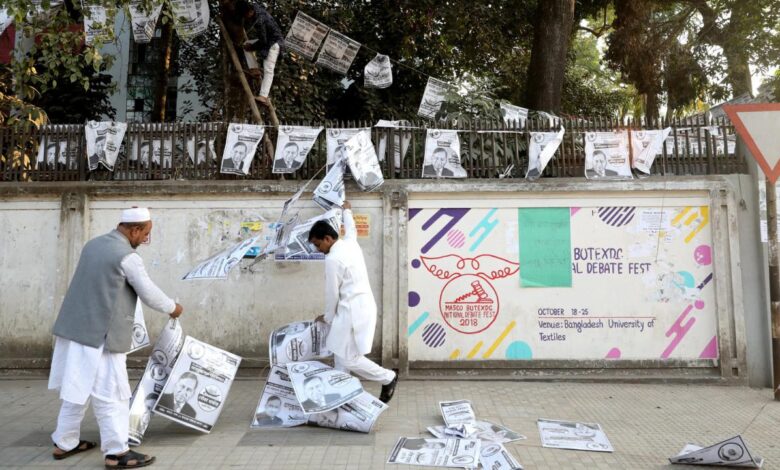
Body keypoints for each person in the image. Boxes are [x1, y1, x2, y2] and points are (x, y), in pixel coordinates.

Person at [48, 207, 184, 469]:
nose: (145, 239)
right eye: (145, 233)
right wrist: (173, 308)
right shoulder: (127, 257)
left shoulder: (93, 245)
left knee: (76, 389)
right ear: (134, 230)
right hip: (100, 336)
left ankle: (64, 442)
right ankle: (117, 452)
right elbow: (148, 293)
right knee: (112, 393)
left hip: (74, 329)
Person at [309, 201, 399, 404]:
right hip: (361, 307)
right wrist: (347, 210)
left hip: (351, 312)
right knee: (340, 355)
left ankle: (388, 377)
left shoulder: (332, 259)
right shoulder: (350, 243)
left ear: (328, 238)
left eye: (318, 244)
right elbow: (351, 229)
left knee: (348, 357)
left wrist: (327, 318)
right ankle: (341, 397)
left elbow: (331, 293)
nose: (317, 248)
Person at [235, 0, 283, 105]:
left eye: (246, 15)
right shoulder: (255, 8)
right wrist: (250, 46)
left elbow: (263, 41)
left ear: (250, 12)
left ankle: (263, 96)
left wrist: (252, 47)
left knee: (268, 69)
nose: (247, 18)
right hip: (268, 40)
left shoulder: (260, 20)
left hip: (274, 43)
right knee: (247, 43)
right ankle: (254, 69)